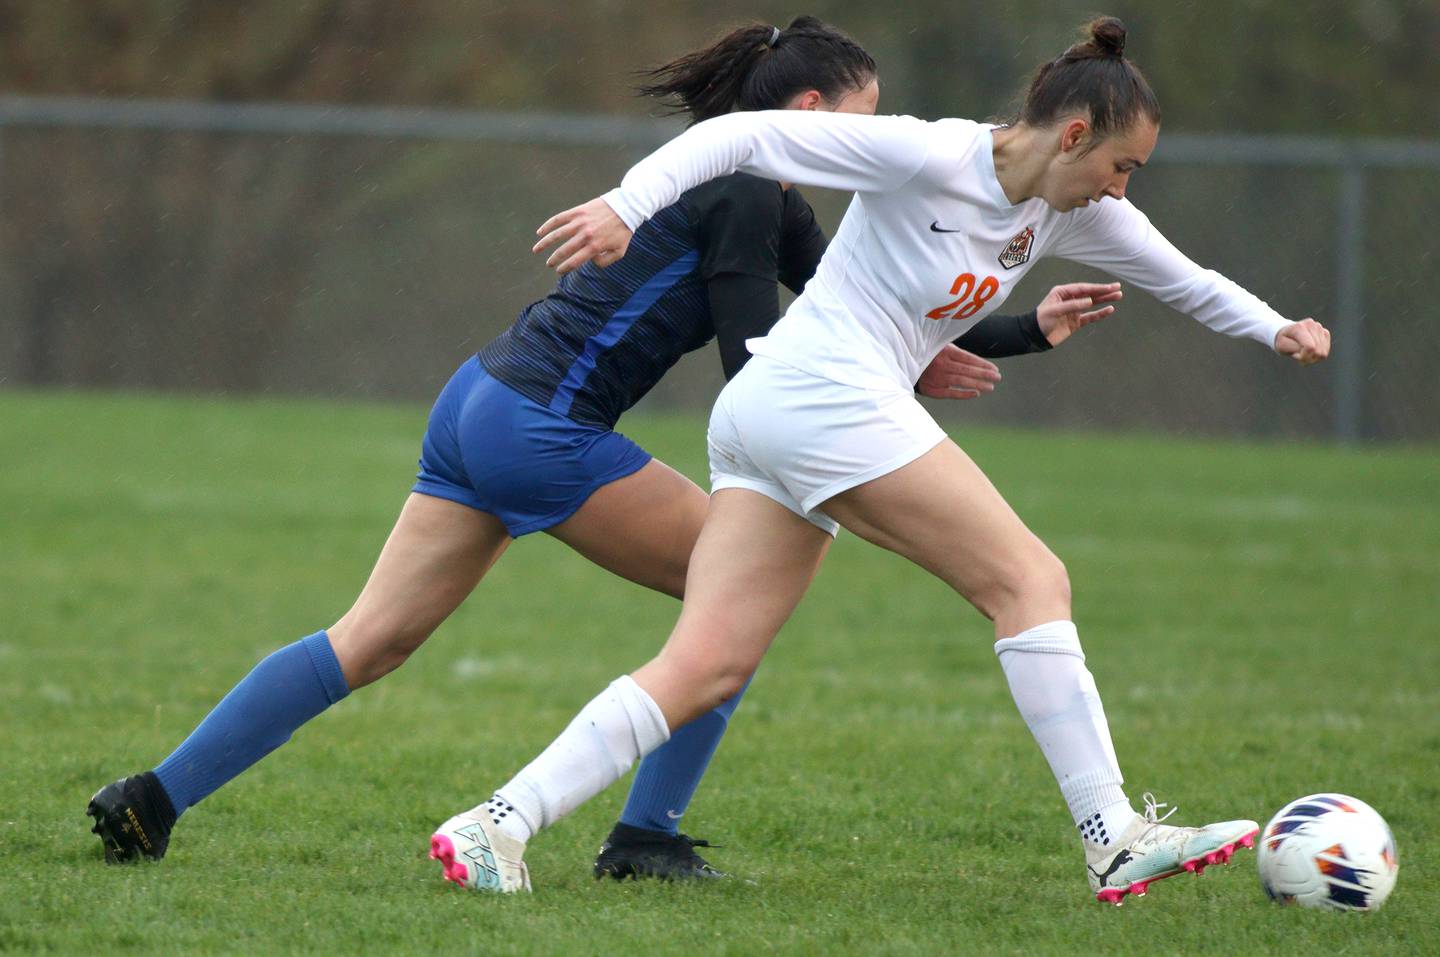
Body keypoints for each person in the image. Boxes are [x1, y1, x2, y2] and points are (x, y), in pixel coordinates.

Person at [86, 16, 1117, 881]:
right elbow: (756, 353)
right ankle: (642, 836)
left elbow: (905, 309)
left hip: (478, 400)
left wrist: (1033, 327)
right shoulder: (756, 191)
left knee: (369, 641)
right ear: (808, 118)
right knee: (732, 611)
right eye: (867, 112)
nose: (880, 132)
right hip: (543, 429)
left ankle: (151, 800)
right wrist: (867, 409)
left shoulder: (767, 196)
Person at [431, 16, 1332, 904]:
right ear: (1071, 135)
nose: (1121, 189)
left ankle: (496, 822)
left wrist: (1276, 328)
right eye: (1121, 165)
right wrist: (625, 205)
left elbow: (1185, 277)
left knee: (707, 663)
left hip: (770, 410)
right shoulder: (930, 154)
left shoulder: (1064, 209)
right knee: (1030, 580)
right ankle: (1114, 837)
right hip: (822, 397)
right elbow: (745, 133)